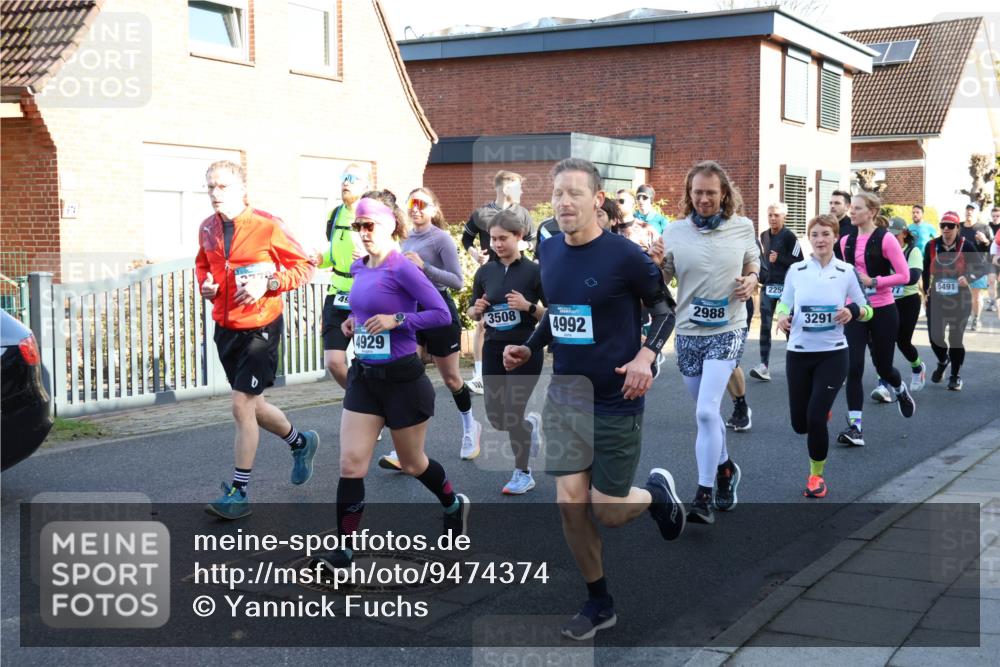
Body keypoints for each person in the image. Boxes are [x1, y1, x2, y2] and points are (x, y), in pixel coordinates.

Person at [503, 158, 684, 641]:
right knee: (569, 504)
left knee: (607, 508)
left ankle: (655, 495)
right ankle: (598, 601)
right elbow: (560, 314)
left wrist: (646, 356)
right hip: (566, 396)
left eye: (574, 193)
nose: (564, 202)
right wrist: (533, 344)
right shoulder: (551, 252)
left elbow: (664, 308)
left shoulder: (625, 256)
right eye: (558, 193)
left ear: (596, 200)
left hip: (616, 395)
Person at [311, 197, 469, 572]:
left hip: (403, 381)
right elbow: (363, 305)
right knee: (351, 464)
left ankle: (453, 504)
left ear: (389, 227)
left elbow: (441, 314)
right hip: (365, 378)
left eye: (370, 226)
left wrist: (399, 319)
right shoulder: (357, 267)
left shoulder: (403, 268)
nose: (363, 234)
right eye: (358, 227)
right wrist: (352, 320)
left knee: (414, 464)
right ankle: (344, 552)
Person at [196, 160, 319, 520]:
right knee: (255, 406)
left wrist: (268, 283)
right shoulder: (207, 228)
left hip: (261, 327)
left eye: (222, 187)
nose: (215, 194)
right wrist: (208, 286)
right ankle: (301, 442)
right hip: (226, 326)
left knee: (240, 406)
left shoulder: (267, 224)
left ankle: (239, 492)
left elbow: (304, 266)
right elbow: (204, 264)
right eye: (210, 187)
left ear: (241, 189)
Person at [658, 160, 759, 524]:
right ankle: (726, 468)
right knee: (709, 413)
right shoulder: (673, 232)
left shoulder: (743, 227)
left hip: (728, 328)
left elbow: (753, 265)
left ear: (724, 195)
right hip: (687, 331)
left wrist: (750, 280)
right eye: (697, 192)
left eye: (711, 193)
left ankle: (702, 494)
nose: (703, 199)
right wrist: (653, 265)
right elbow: (659, 281)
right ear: (689, 193)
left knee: (704, 411)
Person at [378, 188, 481, 469]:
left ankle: (471, 427)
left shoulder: (441, 239)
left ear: (434, 209)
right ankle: (405, 449)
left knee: (451, 379)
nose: (415, 208)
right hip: (410, 311)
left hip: (438, 309)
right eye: (411, 203)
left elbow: (458, 282)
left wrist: (425, 268)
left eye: (421, 204)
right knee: (408, 375)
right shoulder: (403, 239)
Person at [776, 214, 873, 498]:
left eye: (825, 234)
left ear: (834, 238)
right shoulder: (797, 270)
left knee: (816, 418)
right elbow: (784, 303)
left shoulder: (845, 271)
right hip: (799, 353)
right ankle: (820, 411)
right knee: (800, 424)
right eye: (815, 234)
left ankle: (816, 477)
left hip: (833, 354)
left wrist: (852, 311)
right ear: (810, 238)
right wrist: (782, 318)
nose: (820, 240)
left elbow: (867, 309)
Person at [468, 210, 546, 494]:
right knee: (497, 417)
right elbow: (473, 310)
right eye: (493, 238)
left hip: (525, 348)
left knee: (512, 413)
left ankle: (522, 472)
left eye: (503, 238)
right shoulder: (485, 271)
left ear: (519, 237)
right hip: (493, 349)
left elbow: (551, 315)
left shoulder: (535, 271)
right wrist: (475, 310)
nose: (497, 244)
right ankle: (528, 427)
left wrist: (528, 306)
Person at [836, 193, 915, 448]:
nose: (852, 213)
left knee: (883, 368)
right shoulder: (845, 241)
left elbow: (904, 275)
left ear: (871, 212)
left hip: (883, 309)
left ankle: (900, 388)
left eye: (857, 209)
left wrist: (875, 282)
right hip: (856, 311)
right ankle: (856, 427)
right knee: (853, 367)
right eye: (852, 209)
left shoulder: (886, 239)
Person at [463, 171, 535, 394]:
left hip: (517, 271)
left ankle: (522, 360)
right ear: (505, 189)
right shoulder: (482, 213)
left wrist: (519, 246)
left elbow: (532, 241)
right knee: (483, 323)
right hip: (490, 274)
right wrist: (476, 255)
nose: (521, 191)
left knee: (518, 320)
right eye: (517, 187)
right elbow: (466, 238)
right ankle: (480, 373)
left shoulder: (522, 214)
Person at [317, 164, 369, 388]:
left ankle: (368, 404)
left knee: (368, 360)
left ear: (366, 186)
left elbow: (390, 251)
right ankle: (358, 397)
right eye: (343, 177)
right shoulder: (335, 213)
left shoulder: (371, 215)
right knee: (334, 362)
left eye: (352, 178)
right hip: (337, 292)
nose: (345, 182)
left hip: (365, 293)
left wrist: (369, 256)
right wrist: (320, 259)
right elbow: (334, 251)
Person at [923, 211, 987, 390]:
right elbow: (925, 269)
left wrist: (968, 277)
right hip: (937, 298)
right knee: (935, 338)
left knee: (955, 338)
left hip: (960, 299)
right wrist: (925, 288)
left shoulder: (967, 246)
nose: (946, 229)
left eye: (950, 225)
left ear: (957, 228)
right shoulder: (932, 245)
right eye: (943, 225)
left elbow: (981, 268)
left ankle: (955, 375)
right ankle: (944, 360)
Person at [871, 217, 926, 403]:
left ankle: (917, 367)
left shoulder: (913, 251)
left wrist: (891, 277)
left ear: (904, 233)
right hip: (887, 301)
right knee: (883, 343)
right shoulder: (884, 251)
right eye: (890, 234)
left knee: (902, 342)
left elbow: (912, 277)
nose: (893, 238)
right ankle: (883, 385)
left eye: (896, 234)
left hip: (908, 300)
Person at [749, 202, 802, 382]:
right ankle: (764, 365)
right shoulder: (764, 235)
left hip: (787, 287)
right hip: (769, 286)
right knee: (764, 325)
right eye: (770, 215)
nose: (772, 218)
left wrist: (780, 258)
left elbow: (799, 262)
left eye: (776, 215)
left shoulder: (790, 237)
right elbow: (762, 260)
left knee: (788, 326)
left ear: (783, 217)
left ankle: (796, 365)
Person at [960, 203, 994, 331]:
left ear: (977, 213)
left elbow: (993, 247)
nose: (969, 212)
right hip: (961, 266)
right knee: (961, 294)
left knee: (976, 296)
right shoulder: (959, 227)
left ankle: (976, 319)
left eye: (972, 210)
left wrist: (985, 240)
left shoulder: (984, 227)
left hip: (978, 267)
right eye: (967, 209)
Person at [830, 190, 854, 259]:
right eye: (831, 203)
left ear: (847, 206)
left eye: (837, 203)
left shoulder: (854, 228)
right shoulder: (826, 226)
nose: (832, 206)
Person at [987, 206, 1000, 312]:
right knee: (991, 280)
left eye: (998, 216)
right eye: (993, 216)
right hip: (992, 257)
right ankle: (992, 302)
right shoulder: (987, 227)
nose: (995, 218)